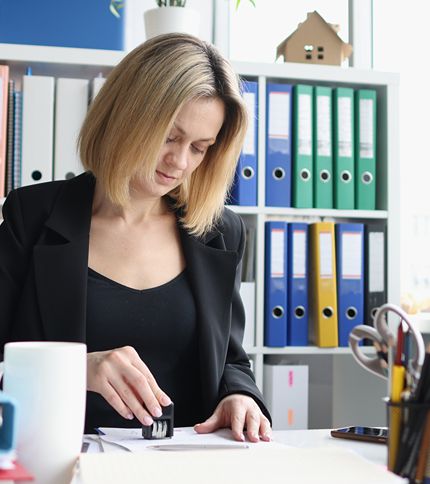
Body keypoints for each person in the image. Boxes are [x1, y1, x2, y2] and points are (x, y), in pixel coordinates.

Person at [0, 33, 271, 442]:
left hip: (186, 467)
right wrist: (78, 369)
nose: (180, 162)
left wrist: (239, 395)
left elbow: (231, 359)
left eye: (200, 147)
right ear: (126, 116)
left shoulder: (219, 233)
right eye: (169, 137)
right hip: (60, 462)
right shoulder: (31, 217)